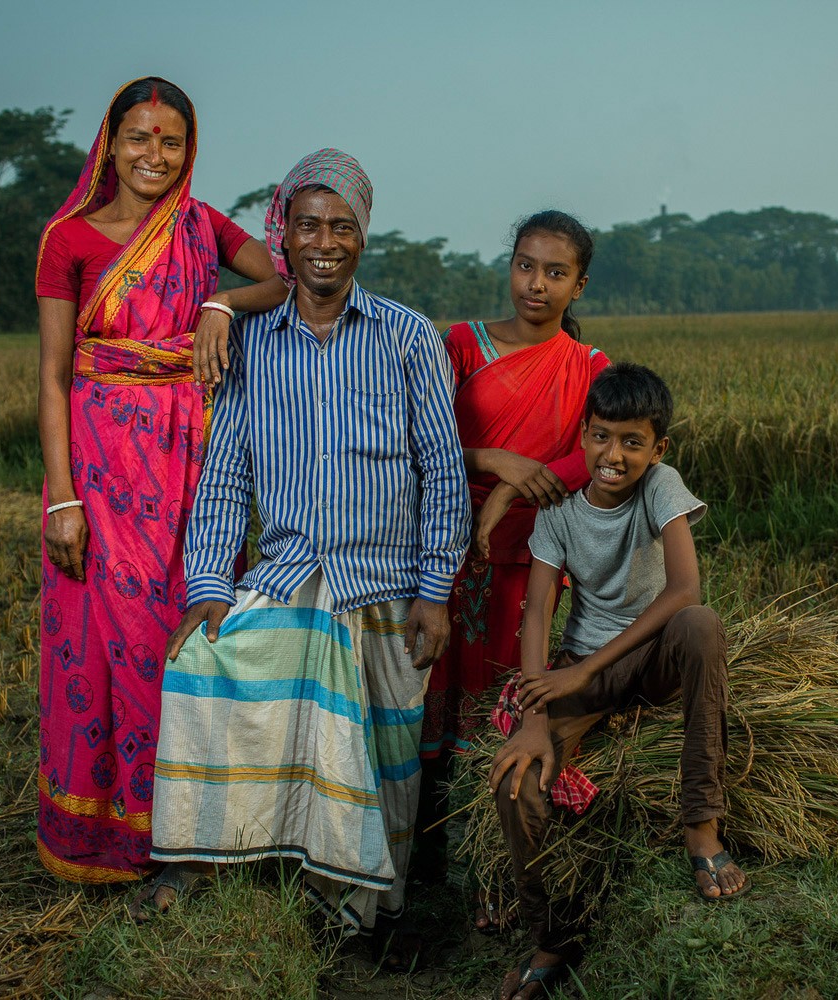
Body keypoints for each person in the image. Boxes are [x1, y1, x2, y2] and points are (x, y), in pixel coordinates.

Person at [144, 149, 472, 958]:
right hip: (290, 579)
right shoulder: (252, 342)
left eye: (341, 227)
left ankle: (373, 920)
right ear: (281, 238)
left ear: (363, 238)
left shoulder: (405, 338)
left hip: (386, 588)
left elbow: (442, 470)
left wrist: (435, 592)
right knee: (198, 672)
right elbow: (224, 476)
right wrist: (209, 586)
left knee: (385, 760)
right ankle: (199, 861)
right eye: (307, 226)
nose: (324, 242)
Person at [34, 76, 287, 884]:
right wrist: (64, 499)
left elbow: (281, 281)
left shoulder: (201, 226)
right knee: (110, 648)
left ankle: (198, 827)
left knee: (189, 628)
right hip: (99, 469)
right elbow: (49, 378)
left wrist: (221, 305)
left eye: (170, 141)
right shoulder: (67, 240)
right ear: (109, 142)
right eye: (139, 137)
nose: (154, 155)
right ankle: (118, 836)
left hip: (187, 461)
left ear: (189, 149)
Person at [488, 362, 747, 1000]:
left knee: (702, 625)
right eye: (602, 436)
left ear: (658, 448)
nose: (615, 454)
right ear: (584, 436)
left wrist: (587, 667)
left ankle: (701, 823)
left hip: (650, 657)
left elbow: (686, 588)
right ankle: (553, 935)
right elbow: (539, 612)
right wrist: (535, 713)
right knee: (515, 779)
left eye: (633, 442)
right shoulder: (558, 516)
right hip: (582, 666)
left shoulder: (661, 485)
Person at [417, 211, 608, 929]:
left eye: (555, 272)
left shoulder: (590, 370)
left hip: (530, 558)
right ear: (510, 266)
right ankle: (412, 864)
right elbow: (421, 436)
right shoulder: (460, 345)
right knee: (427, 691)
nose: (536, 283)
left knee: (496, 702)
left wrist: (519, 484)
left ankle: (488, 872)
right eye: (525, 265)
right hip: (443, 546)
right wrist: (492, 463)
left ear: (578, 285)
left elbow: (599, 453)